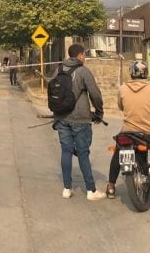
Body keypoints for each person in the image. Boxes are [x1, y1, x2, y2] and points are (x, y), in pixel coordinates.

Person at [105, 60, 150, 199]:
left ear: (131, 73)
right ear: (145, 73)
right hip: (149, 130)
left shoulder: (122, 88)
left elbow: (121, 106)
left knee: (118, 153)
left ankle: (111, 186)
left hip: (128, 130)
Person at [52, 43, 106, 201]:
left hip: (61, 118)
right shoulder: (83, 71)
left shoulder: (58, 70)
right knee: (83, 152)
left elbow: (54, 94)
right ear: (80, 55)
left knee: (66, 151)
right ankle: (91, 190)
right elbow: (95, 94)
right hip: (80, 118)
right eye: (84, 55)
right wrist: (99, 112)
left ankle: (67, 188)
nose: (85, 57)